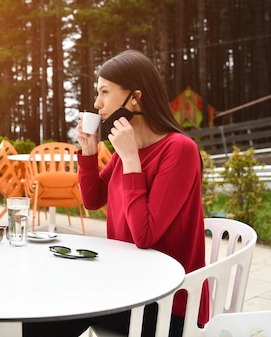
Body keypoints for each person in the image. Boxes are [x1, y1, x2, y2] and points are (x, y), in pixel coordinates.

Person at [74, 49, 209, 336]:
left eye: (104, 92)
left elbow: (144, 236)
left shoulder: (179, 150)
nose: (97, 103)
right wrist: (88, 153)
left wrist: (131, 161)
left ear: (134, 98)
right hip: (130, 290)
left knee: (62, 306)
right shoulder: (128, 150)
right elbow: (93, 200)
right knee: (53, 297)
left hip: (170, 307)